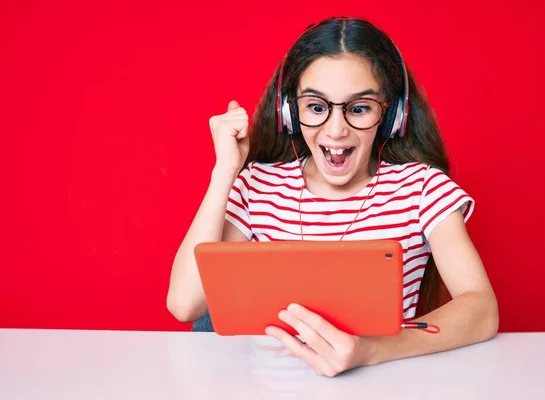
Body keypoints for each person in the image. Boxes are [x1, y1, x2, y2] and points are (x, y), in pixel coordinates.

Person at [167, 16, 498, 377]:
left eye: (359, 109)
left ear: (392, 116)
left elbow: (481, 308)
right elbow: (185, 304)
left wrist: (372, 350)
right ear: (289, 112)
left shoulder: (421, 189)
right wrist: (225, 172)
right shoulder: (257, 186)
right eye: (316, 107)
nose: (336, 129)